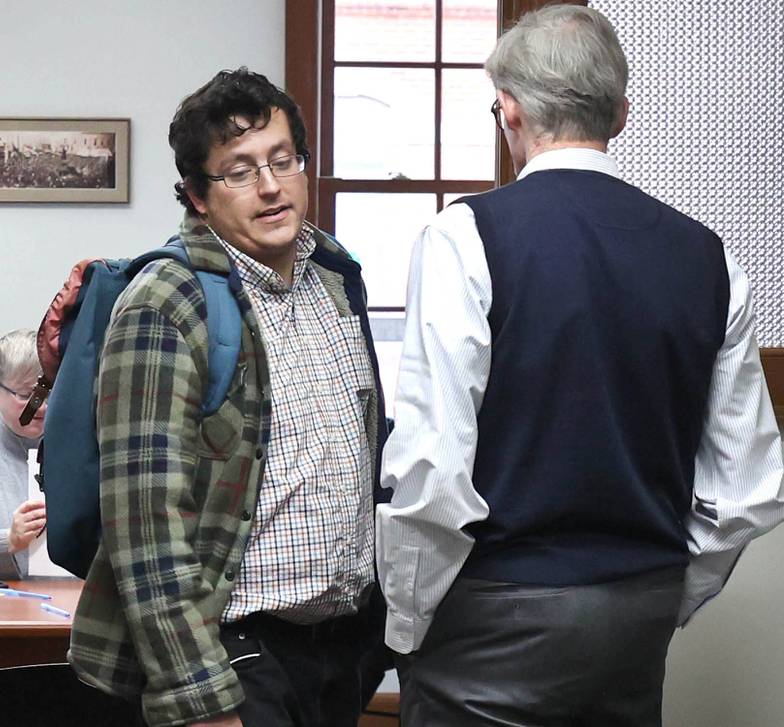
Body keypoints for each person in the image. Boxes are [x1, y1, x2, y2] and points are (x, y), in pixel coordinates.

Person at [376, 6, 784, 726]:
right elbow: (750, 490)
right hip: (636, 613)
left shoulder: (461, 238)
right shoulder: (708, 256)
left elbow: (432, 472)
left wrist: (407, 628)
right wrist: (663, 593)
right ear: (621, 113)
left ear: (509, 109)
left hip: (490, 620)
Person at [68, 68, 387, 727]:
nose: (270, 186)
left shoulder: (335, 276)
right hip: (237, 659)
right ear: (197, 195)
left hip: (340, 654)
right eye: (239, 171)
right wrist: (200, 700)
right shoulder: (165, 302)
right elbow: (145, 527)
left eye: (282, 160)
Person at [0, 329, 47, 578]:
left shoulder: (80, 452)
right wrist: (8, 540)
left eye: (48, 391)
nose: (41, 406)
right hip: (0, 612)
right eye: (26, 395)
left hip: (73, 606)